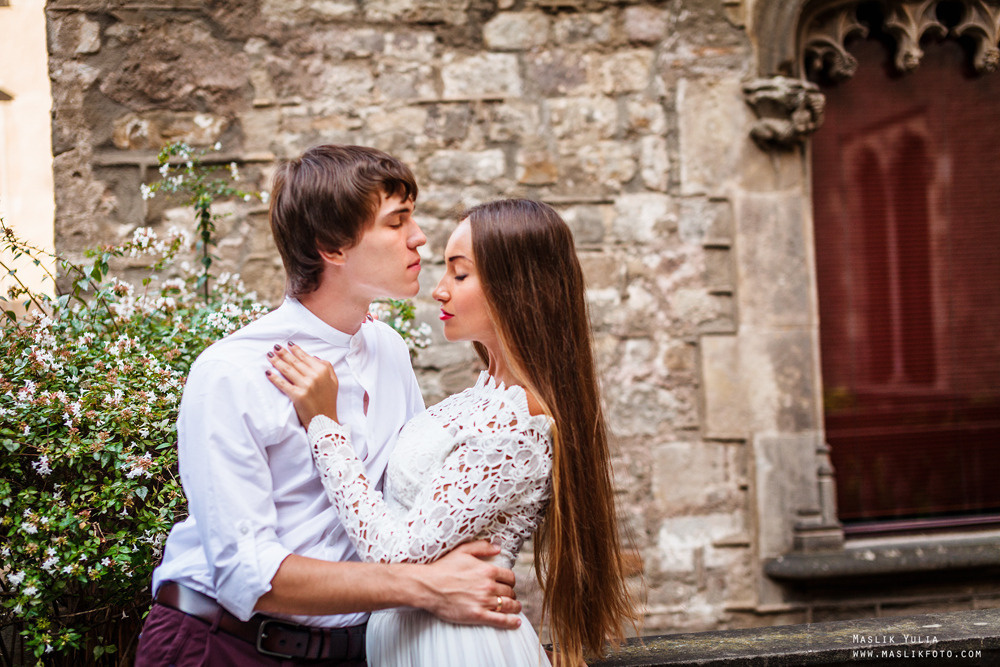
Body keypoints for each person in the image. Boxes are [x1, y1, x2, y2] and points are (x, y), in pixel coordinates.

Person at [135, 145, 523, 667]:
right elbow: (248, 575)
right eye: (397, 221)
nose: (419, 237)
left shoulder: (388, 350)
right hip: (221, 645)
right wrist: (425, 586)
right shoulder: (232, 372)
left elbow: (403, 501)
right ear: (332, 247)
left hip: (354, 653)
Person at [265, 198, 637, 666]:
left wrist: (325, 425)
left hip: (459, 647)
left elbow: (394, 557)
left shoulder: (513, 428)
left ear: (515, 289)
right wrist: (357, 340)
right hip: (413, 639)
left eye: (459, 275)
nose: (439, 290)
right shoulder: (485, 397)